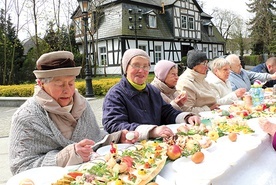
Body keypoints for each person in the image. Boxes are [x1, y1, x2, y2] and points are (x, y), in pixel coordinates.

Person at [9, 51, 139, 175]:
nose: (67, 91)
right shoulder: (25, 117)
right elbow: (20, 167)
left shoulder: (82, 105)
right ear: (41, 84)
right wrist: (66, 156)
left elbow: (96, 138)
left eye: (71, 83)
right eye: (59, 84)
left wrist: (116, 138)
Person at [102, 49, 200, 140]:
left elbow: (167, 112)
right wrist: (151, 131)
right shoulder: (115, 95)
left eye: (145, 66)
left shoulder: (153, 91)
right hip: (131, 148)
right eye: (136, 65)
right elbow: (114, 125)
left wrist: (187, 117)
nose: (141, 70)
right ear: (126, 68)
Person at [176, 49, 219, 114]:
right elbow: (187, 110)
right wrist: (209, 108)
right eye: (204, 63)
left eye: (207, 63)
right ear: (194, 66)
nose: (207, 67)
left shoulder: (201, 78)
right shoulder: (185, 83)